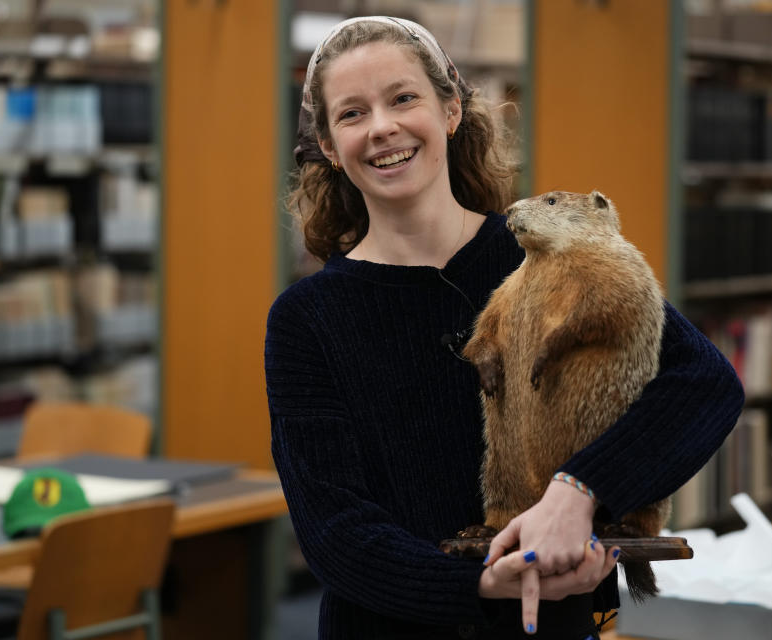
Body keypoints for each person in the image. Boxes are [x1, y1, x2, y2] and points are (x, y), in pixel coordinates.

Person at [265, 15, 744, 640]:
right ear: (329, 145)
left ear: (451, 110)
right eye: (352, 114)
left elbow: (706, 385)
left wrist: (581, 490)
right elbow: (335, 532)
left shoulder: (545, 256)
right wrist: (484, 582)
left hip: (555, 619)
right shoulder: (305, 319)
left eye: (403, 98)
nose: (382, 127)